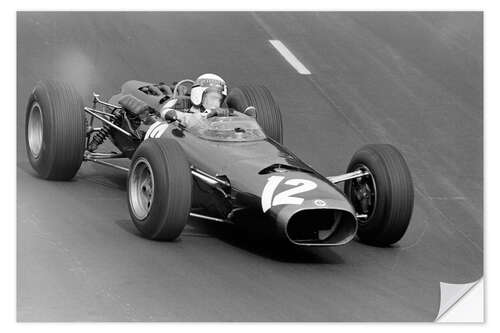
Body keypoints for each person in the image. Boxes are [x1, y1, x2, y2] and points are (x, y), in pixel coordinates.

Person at [159, 73, 233, 127]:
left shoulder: (222, 111)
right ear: (198, 94)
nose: (216, 103)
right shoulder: (181, 104)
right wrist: (207, 115)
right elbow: (165, 111)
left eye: (219, 99)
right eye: (213, 98)